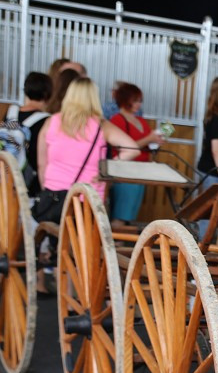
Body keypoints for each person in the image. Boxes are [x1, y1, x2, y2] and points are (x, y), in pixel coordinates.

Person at [36, 77, 140, 291]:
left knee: (62, 248)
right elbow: (133, 148)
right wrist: (106, 169)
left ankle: (65, 296)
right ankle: (81, 299)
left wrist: (50, 188)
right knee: (85, 253)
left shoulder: (52, 121)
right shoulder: (101, 126)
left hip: (54, 200)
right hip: (87, 201)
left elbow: (41, 163)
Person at [108, 83, 165, 225]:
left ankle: (118, 240)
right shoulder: (117, 120)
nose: (138, 104)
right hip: (125, 171)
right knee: (122, 213)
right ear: (125, 100)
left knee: (130, 213)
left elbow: (142, 143)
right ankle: (115, 242)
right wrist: (149, 139)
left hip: (141, 171)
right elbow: (126, 147)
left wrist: (154, 142)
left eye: (140, 100)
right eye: (135, 100)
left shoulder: (140, 120)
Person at [18, 71, 54, 198]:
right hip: (30, 184)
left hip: (5, 176)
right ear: (47, 94)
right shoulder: (46, 121)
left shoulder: (10, 113)